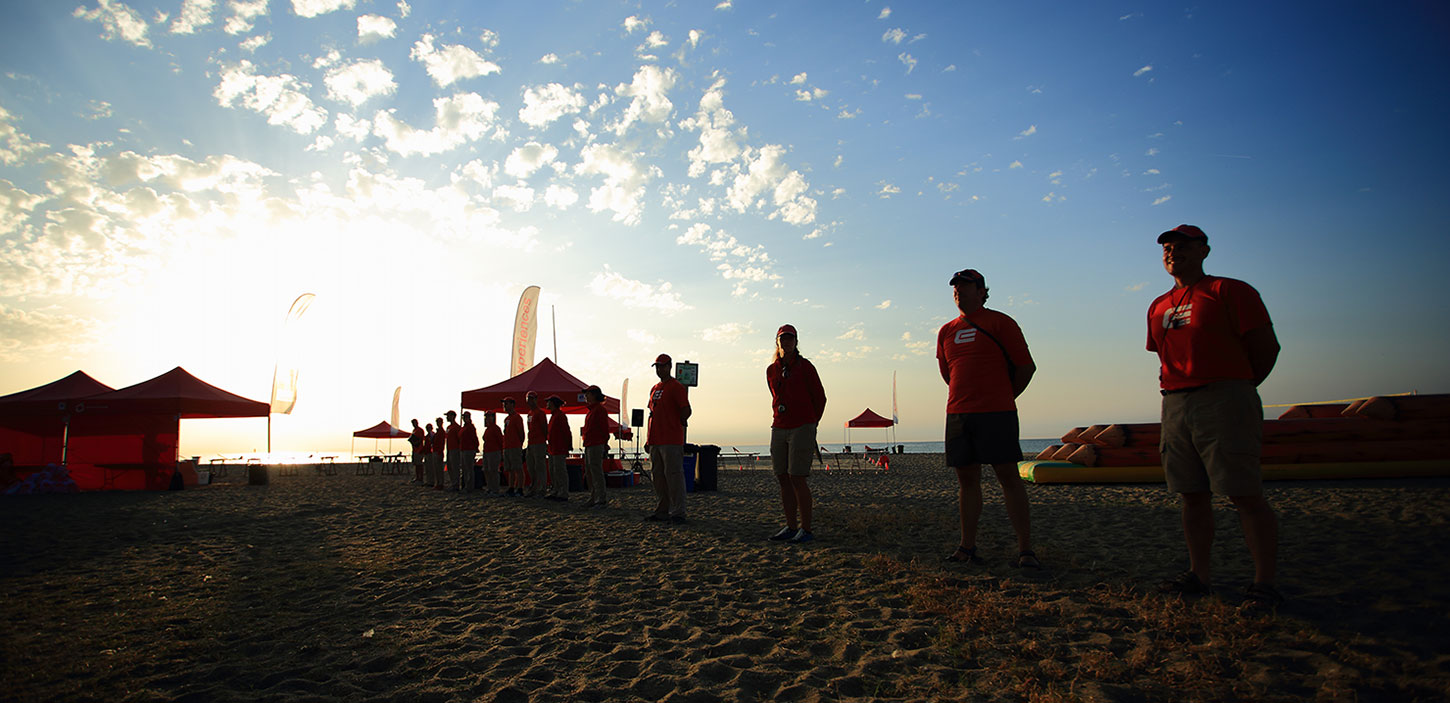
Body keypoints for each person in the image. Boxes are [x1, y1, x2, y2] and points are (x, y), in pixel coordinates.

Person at [1147, 224, 1282, 611]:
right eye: (1167, 248)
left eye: (1183, 246)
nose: (1173, 252)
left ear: (1204, 250)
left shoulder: (1229, 291)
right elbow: (1165, 353)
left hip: (1224, 397)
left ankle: (1264, 582)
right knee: (1191, 494)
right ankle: (1199, 575)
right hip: (1176, 402)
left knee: (1243, 493)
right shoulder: (1158, 305)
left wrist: (1237, 386)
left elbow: (1266, 347)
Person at [936, 268, 1038, 567]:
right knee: (967, 480)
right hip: (959, 413)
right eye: (955, 287)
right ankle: (967, 547)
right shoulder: (946, 331)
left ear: (981, 291)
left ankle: (1025, 550)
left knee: (1008, 477)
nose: (958, 291)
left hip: (997, 413)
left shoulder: (1001, 322)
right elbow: (948, 374)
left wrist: (1004, 397)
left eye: (965, 286)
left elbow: (1026, 367)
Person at [766, 324, 827, 544]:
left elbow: (820, 398)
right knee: (782, 477)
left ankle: (806, 529)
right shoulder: (771, 370)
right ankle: (791, 526)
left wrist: (811, 423)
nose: (786, 342)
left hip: (802, 426)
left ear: (796, 341)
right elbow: (775, 395)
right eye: (783, 338)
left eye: (790, 338)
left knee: (797, 477)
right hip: (779, 426)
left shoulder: (806, 367)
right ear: (777, 342)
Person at [644, 353, 691, 524]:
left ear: (670, 367)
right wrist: (649, 439)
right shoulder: (655, 388)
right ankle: (662, 509)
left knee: (674, 476)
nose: (660, 369)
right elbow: (651, 414)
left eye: (663, 366)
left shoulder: (676, 387)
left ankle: (678, 512)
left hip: (671, 440)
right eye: (657, 366)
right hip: (656, 440)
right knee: (658, 477)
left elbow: (686, 410)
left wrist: (677, 423)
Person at [581, 385, 611, 508]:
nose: (586, 396)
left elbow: (604, 428)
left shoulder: (599, 410)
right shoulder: (591, 411)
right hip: (589, 444)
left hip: (596, 444)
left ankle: (600, 498)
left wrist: (604, 443)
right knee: (589, 472)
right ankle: (594, 496)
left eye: (588, 394)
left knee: (596, 471)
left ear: (594, 395)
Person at [545, 396, 573, 502]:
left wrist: (568, 446)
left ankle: (563, 492)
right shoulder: (554, 416)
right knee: (553, 470)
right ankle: (556, 490)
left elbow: (566, 431)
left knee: (560, 470)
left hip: (559, 448)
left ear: (553, 403)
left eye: (548, 402)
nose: (547, 404)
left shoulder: (560, 416)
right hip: (553, 448)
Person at [525, 392, 549, 499]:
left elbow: (544, 428)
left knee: (540, 467)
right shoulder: (530, 413)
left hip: (539, 443)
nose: (530, 401)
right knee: (531, 466)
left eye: (532, 399)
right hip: (531, 443)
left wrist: (543, 440)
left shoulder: (540, 413)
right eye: (528, 399)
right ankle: (534, 487)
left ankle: (542, 488)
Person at [501, 397, 525, 497]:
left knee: (518, 468)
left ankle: (520, 488)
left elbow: (521, 433)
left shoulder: (517, 417)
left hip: (515, 446)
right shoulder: (507, 419)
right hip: (507, 446)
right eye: (504, 404)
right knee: (510, 469)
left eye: (506, 404)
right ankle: (511, 487)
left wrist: (519, 444)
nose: (504, 406)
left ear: (512, 404)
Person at [482, 411, 503, 496]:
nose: (487, 419)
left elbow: (500, 440)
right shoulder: (488, 429)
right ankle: (490, 487)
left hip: (494, 452)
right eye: (486, 417)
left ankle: (495, 488)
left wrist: (501, 452)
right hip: (487, 452)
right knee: (486, 470)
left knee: (493, 470)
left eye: (489, 417)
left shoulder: (496, 428)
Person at [460, 411, 479, 493]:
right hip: (463, 449)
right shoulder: (464, 427)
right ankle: (466, 485)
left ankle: (469, 486)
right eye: (464, 417)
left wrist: (475, 447)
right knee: (465, 469)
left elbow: (474, 438)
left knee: (469, 469)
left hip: (469, 449)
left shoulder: (470, 427)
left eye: (466, 417)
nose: (464, 418)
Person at [444, 410, 462, 491]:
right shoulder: (448, 427)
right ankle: (453, 483)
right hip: (449, 449)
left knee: (455, 467)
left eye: (448, 416)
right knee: (450, 467)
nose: (447, 417)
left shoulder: (457, 427)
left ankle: (456, 484)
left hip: (455, 449)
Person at [408, 419, 425, 484]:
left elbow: (421, 439)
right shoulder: (414, 430)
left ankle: (420, 478)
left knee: (419, 464)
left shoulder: (420, 430)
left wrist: (416, 443)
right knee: (416, 464)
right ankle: (417, 477)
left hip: (419, 449)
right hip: (415, 450)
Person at [432, 416, 446, 491]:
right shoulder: (438, 432)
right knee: (436, 468)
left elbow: (441, 442)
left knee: (439, 468)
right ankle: (438, 483)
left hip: (438, 451)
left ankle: (440, 483)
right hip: (435, 450)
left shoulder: (441, 432)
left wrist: (439, 451)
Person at [422, 422, 438, 487]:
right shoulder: (427, 436)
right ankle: (429, 481)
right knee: (427, 468)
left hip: (430, 453)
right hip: (427, 453)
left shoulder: (432, 435)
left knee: (431, 468)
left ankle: (431, 481)